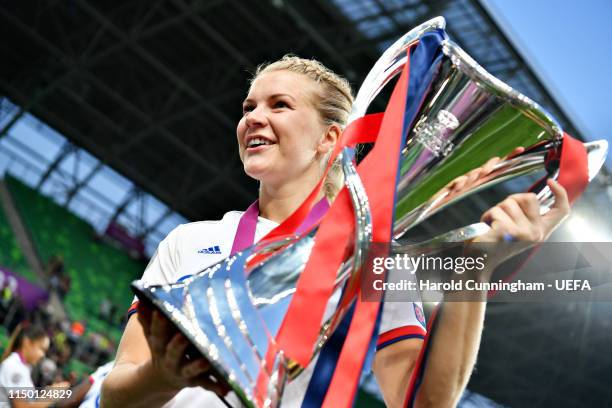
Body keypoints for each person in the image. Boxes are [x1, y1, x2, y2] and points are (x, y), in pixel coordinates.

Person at [100, 55, 570, 408]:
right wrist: (162, 375)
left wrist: (475, 273)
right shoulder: (187, 243)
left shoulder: (374, 264)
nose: (253, 118)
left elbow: (424, 404)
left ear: (330, 138)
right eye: (249, 106)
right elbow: (114, 395)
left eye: (279, 105)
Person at [0, 323, 68, 407]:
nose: (43, 355)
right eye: (41, 349)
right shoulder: (15, 367)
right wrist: (50, 396)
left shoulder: (23, 367)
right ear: (27, 343)